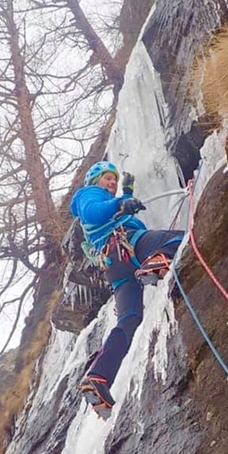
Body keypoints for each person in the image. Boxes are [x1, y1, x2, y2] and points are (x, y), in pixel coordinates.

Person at [70, 161, 185, 418]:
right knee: (179, 238)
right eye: (107, 179)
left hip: (117, 270)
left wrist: (127, 194)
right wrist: (120, 202)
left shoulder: (109, 200)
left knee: (129, 320)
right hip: (125, 244)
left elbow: (118, 209)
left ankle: (99, 377)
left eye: (114, 179)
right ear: (94, 181)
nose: (111, 182)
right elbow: (94, 211)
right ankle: (155, 262)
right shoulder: (88, 196)